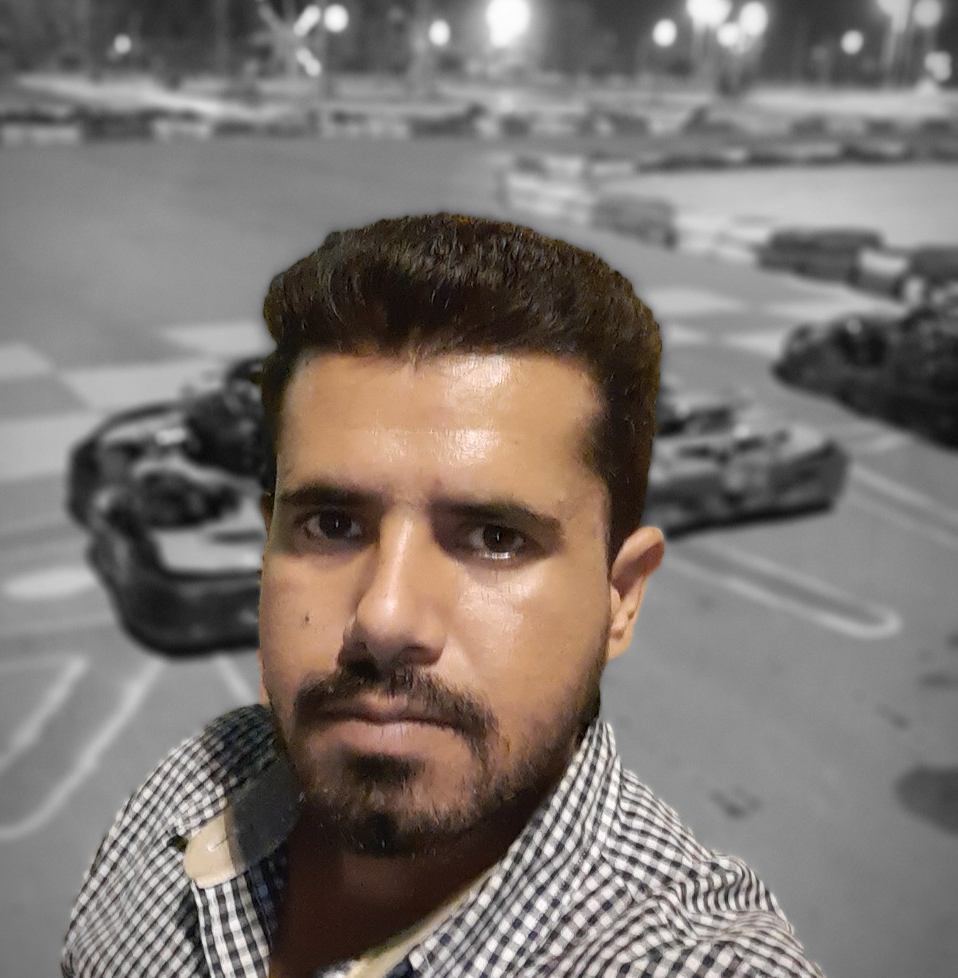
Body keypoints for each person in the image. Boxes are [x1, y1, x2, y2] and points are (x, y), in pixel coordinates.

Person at [62, 213, 824, 978]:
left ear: (620, 597)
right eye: (331, 525)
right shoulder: (179, 800)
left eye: (494, 537)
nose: (384, 617)